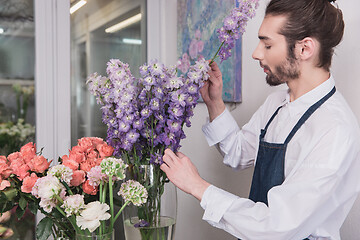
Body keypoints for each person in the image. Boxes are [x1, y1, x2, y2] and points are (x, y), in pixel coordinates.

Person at [160, 0, 360, 239]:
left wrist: (197, 186)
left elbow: (278, 227)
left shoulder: (335, 129)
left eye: (267, 44)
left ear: (304, 49)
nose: (256, 53)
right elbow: (238, 153)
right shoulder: (276, 103)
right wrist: (214, 103)